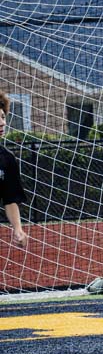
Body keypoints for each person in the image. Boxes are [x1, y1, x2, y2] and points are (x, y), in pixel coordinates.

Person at [0, 92, 28, 247]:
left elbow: (10, 199)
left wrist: (18, 229)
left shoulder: (7, 158)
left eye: (3, 117)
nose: (2, 123)